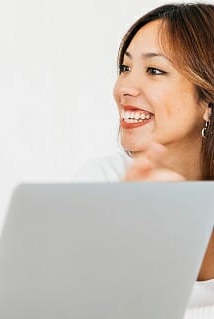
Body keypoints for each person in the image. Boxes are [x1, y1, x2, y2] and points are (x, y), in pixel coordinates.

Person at [76, 3, 214, 318]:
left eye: (154, 70)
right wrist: (131, 229)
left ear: (208, 100)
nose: (123, 88)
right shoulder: (102, 184)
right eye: (125, 68)